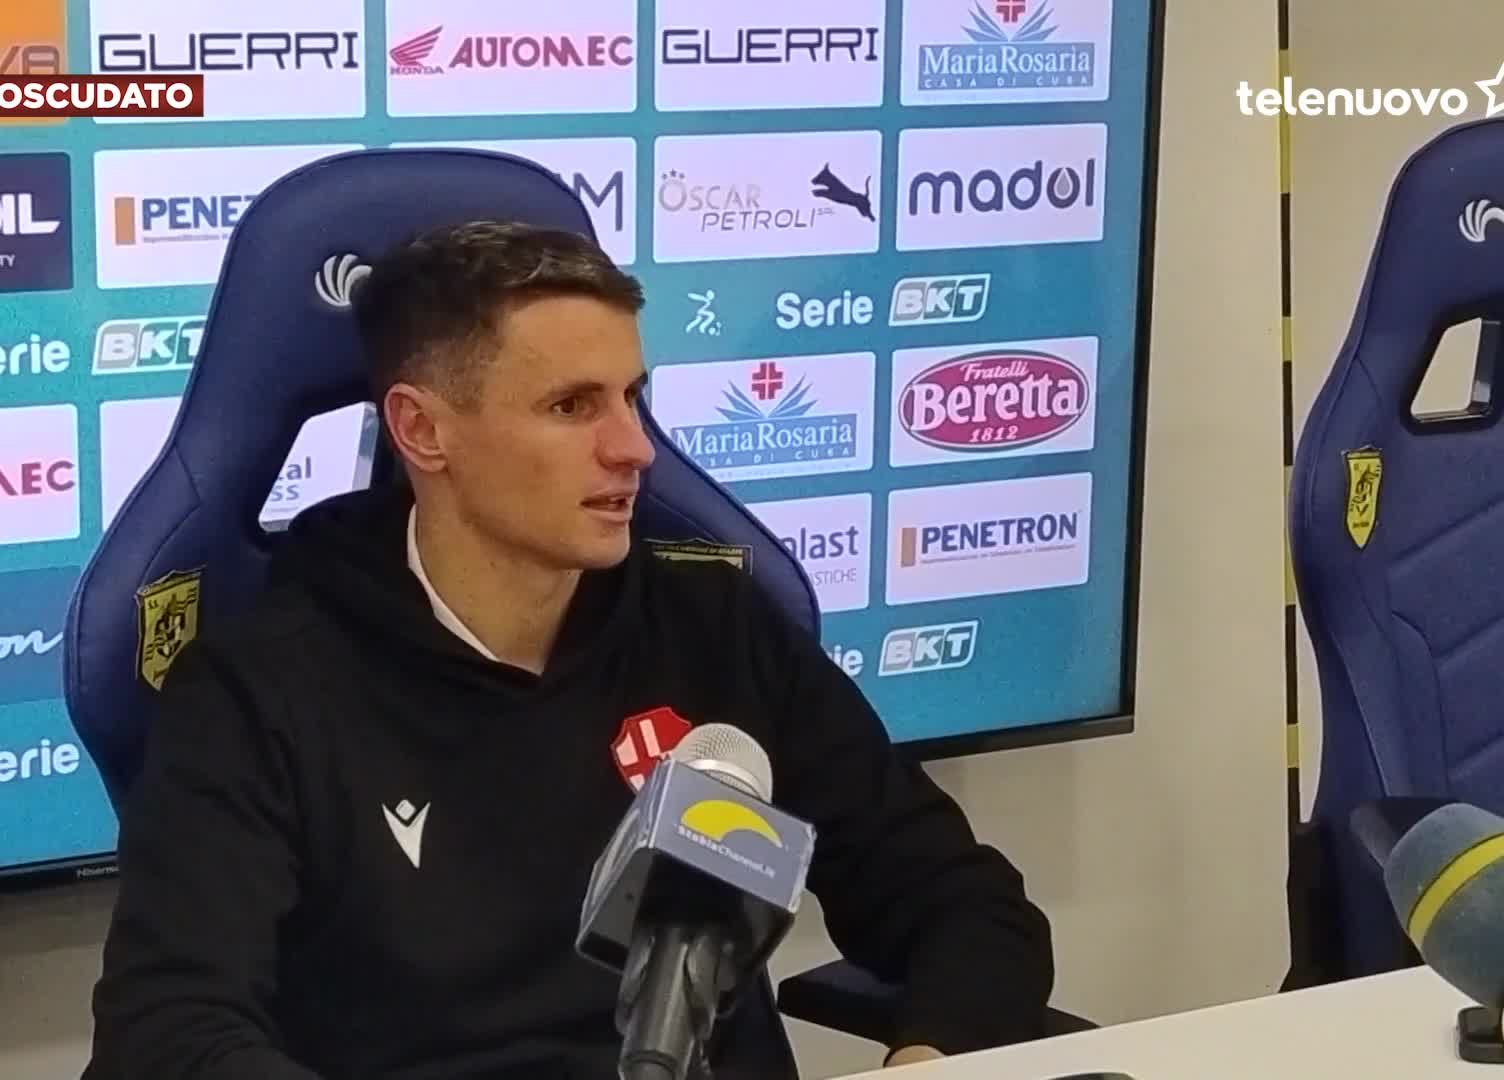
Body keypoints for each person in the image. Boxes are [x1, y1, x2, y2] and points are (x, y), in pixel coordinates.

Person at [82, 221, 1056, 1079]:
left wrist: (928, 1058)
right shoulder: (261, 687)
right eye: (572, 406)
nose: (634, 447)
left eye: (633, 397)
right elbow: (169, 1032)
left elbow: (968, 908)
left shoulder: (714, 627)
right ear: (422, 430)